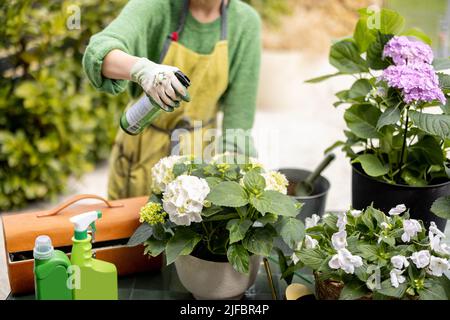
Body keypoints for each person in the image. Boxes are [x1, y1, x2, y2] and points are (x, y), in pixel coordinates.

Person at [83, 0, 261, 200]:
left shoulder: (245, 22)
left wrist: (235, 172)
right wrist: (143, 70)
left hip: (200, 159)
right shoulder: (157, 6)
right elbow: (98, 52)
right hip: (142, 151)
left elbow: (239, 121)